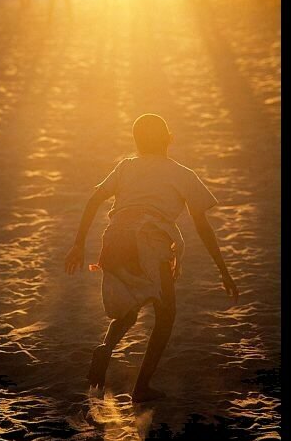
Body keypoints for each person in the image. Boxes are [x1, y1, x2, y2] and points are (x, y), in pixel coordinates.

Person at [65, 113, 238, 403]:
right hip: (148, 240)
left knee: (131, 306)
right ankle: (141, 388)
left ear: (137, 142)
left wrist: (79, 244)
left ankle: (107, 346)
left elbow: (95, 199)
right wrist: (223, 269)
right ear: (169, 139)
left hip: (115, 238)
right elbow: (202, 226)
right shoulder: (182, 173)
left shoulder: (126, 167)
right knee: (165, 314)